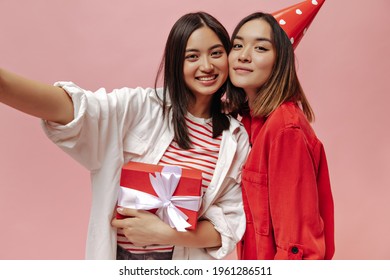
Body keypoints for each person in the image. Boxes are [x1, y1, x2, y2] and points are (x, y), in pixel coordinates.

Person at [0, 12, 250, 260]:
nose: (206, 66)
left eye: (216, 53)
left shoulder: (235, 137)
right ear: (176, 62)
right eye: (192, 56)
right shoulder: (140, 107)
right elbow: (77, 109)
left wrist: (165, 234)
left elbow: (226, 224)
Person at [225, 11, 335, 260]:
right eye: (238, 45)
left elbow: (298, 246)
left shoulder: (285, 130)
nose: (243, 55)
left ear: (280, 61)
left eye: (260, 48)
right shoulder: (251, 124)